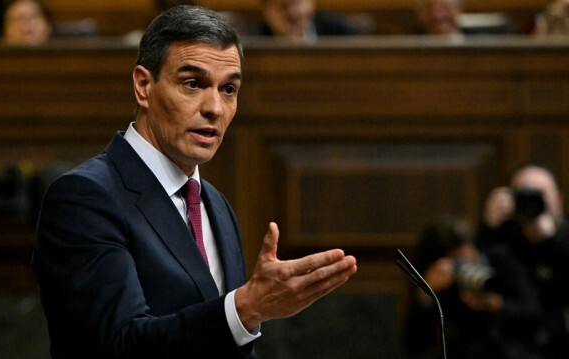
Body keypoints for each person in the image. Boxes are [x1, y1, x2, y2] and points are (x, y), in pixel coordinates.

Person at [31, 5, 358, 359]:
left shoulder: (215, 205)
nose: (215, 107)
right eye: (193, 84)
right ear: (144, 86)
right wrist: (246, 309)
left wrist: (246, 314)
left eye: (229, 89)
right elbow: (117, 346)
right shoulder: (85, 197)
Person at [404, 215, 544, 359]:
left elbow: (534, 311)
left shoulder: (500, 260)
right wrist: (426, 294)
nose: (467, 265)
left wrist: (492, 304)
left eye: (467, 257)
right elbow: (415, 345)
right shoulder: (442, 286)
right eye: (457, 262)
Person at [478, 163, 569, 358]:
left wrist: (550, 241)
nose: (532, 202)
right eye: (524, 195)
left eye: (540, 194)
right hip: (507, 347)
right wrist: (488, 227)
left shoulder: (565, 240)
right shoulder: (501, 241)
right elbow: (479, 278)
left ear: (558, 198)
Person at [249, 0, 362, 44]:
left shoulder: (339, 31)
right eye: (283, 7)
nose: (292, 13)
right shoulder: (254, 44)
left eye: (296, 3)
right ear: (266, 11)